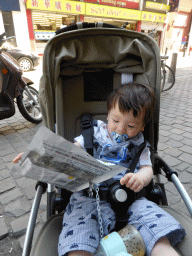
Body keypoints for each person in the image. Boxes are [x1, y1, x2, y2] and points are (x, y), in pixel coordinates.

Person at [13, 83, 185, 256]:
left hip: (132, 199)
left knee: (156, 233)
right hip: (88, 200)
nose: (120, 129)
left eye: (131, 126)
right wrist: (41, 157)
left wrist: (140, 177)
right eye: (115, 120)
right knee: (78, 239)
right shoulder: (93, 133)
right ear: (108, 115)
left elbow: (148, 167)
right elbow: (70, 152)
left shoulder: (140, 145)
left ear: (142, 127)